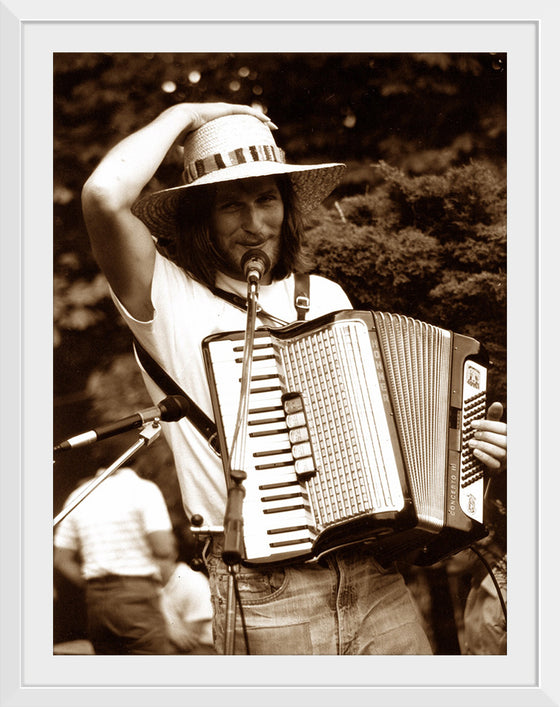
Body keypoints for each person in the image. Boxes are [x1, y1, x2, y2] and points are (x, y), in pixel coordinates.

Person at [81, 101, 507, 655]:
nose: (255, 225)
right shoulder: (162, 293)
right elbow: (103, 196)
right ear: (200, 218)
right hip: (265, 589)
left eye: (266, 200)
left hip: (372, 575)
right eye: (232, 206)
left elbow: (381, 441)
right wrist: (187, 114)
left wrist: (469, 449)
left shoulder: (325, 295)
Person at [53, 465, 176, 654]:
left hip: (97, 601)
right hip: (137, 595)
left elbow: (61, 560)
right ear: (138, 463)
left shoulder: (78, 494)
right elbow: (163, 547)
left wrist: (96, 586)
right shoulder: (144, 489)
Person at [159, 553, 216, 654]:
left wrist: (163, 628)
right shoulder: (150, 582)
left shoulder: (193, 582)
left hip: (202, 648)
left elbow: (186, 642)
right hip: (167, 643)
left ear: (170, 557)